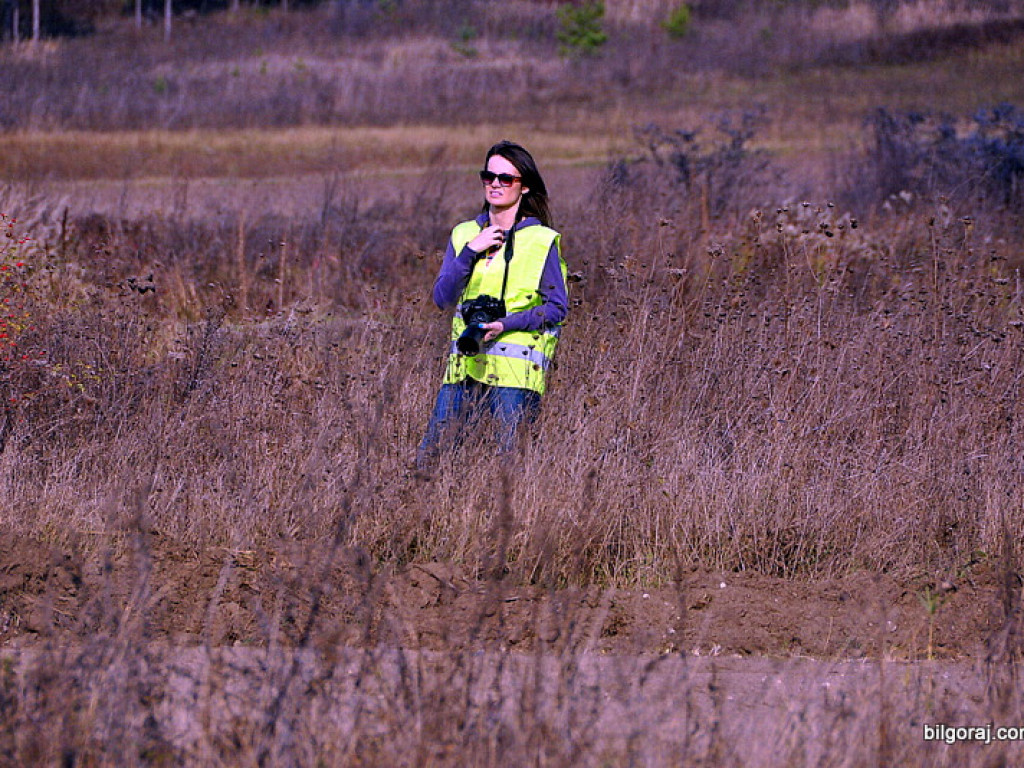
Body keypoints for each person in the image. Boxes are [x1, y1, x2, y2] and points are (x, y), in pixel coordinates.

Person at [416, 140, 568, 468]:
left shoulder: (541, 240)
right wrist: (472, 249)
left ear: (524, 186)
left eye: (506, 179)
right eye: (489, 177)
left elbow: (556, 308)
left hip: (517, 372)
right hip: (464, 366)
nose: (495, 184)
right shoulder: (463, 234)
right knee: (431, 463)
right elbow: (442, 298)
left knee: (509, 473)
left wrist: (505, 324)